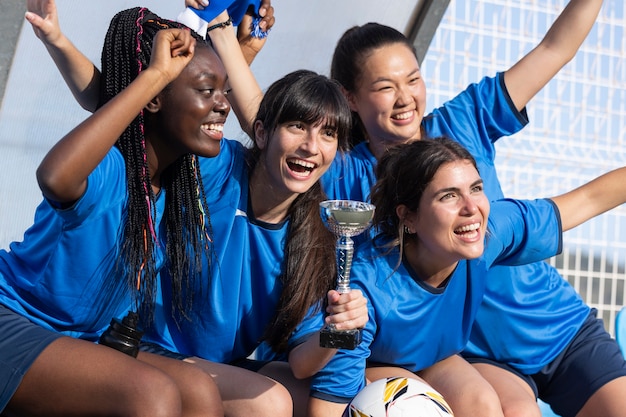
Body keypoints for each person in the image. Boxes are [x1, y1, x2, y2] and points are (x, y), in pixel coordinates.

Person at [212, 0, 625, 415]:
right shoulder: (346, 178)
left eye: (413, 79)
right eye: (385, 86)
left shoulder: (467, 138)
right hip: (463, 349)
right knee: (502, 406)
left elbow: (555, 50)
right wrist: (225, 40)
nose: (404, 97)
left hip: (551, 328)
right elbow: (274, 127)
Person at [26, 4, 369, 416]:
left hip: (219, 365)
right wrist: (58, 40)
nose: (312, 147)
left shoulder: (318, 236)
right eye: (297, 126)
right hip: (148, 343)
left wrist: (337, 331)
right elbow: (125, 106)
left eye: (328, 134)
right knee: (270, 403)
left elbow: (302, 361)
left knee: (309, 394)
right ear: (260, 131)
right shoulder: (212, 166)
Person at [1, 7, 226, 417]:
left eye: (223, 91)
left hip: (84, 337)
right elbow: (53, 175)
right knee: (150, 394)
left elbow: (104, 94)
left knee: (199, 392)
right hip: (16, 320)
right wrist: (155, 74)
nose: (223, 105)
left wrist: (231, 33)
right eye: (207, 91)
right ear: (153, 97)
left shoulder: (180, 180)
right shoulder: (109, 168)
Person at [305, 137, 626, 417]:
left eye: (475, 189)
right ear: (409, 218)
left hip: (437, 357)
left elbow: (588, 199)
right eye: (449, 196)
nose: (472, 207)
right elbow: (329, 404)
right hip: (374, 365)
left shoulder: (487, 234)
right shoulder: (366, 289)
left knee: (485, 405)